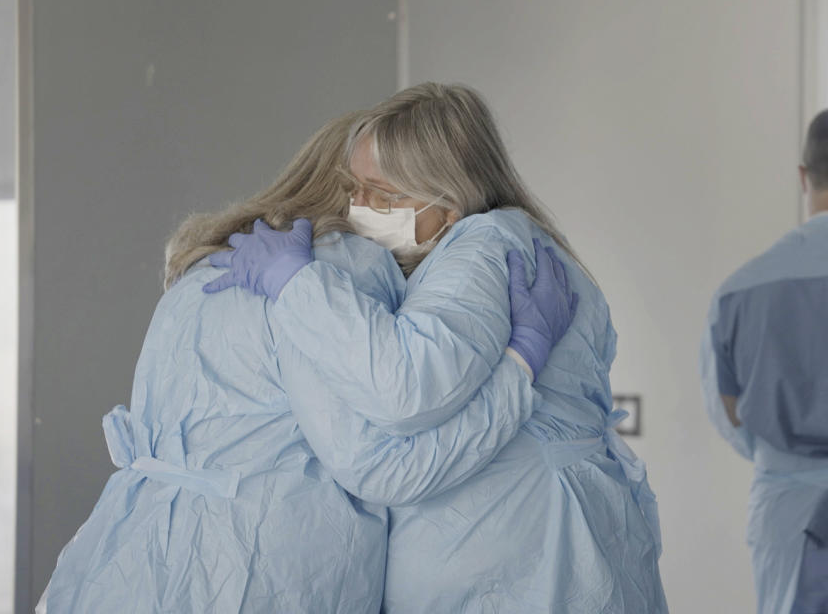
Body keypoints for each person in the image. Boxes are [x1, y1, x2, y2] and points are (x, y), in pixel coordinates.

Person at [37, 112, 573, 612]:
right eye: (378, 189)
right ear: (343, 186)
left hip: (129, 553)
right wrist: (519, 364)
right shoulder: (335, 270)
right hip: (255, 568)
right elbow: (383, 463)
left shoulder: (212, 263)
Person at [207, 82, 668, 612]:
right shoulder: (529, 242)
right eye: (354, 187)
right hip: (562, 534)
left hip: (511, 544)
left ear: (450, 199)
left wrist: (299, 286)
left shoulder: (482, 246)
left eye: (384, 193)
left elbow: (402, 386)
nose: (359, 207)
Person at [701, 109, 828, 614]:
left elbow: (728, 415)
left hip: (786, 513)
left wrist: (784, 458)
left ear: (804, 176)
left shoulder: (739, 291)